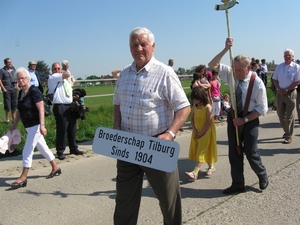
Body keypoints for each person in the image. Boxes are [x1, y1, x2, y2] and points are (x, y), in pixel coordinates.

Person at [113, 27, 190, 225]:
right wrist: (117, 131)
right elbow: (118, 105)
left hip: (156, 145)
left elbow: (184, 108)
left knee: (168, 201)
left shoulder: (165, 73)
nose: (139, 48)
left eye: (143, 44)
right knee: (124, 202)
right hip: (128, 145)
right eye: (134, 45)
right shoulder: (124, 74)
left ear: (153, 47)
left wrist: (170, 134)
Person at [208, 37, 269, 194]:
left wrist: (245, 119)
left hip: (250, 119)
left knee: (250, 151)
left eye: (240, 70)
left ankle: (262, 175)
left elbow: (262, 109)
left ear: (248, 67)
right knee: (234, 152)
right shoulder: (232, 74)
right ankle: (238, 184)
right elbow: (211, 65)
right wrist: (225, 49)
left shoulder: (257, 83)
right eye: (234, 69)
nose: (236, 72)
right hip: (234, 118)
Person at [8, 67, 61, 189]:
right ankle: (55, 167)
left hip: (36, 126)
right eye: (18, 79)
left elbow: (41, 108)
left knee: (27, 151)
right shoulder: (21, 93)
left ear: (28, 78)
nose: (20, 81)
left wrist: (42, 125)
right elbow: (20, 111)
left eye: (23, 78)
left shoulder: (34, 91)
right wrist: (14, 124)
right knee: (43, 148)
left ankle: (23, 177)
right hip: (28, 126)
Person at [47, 62, 84, 160]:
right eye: (55, 69)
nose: (57, 70)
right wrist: (64, 70)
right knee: (62, 129)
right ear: (52, 70)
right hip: (60, 106)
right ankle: (60, 151)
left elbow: (67, 91)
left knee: (72, 128)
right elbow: (68, 74)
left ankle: (73, 148)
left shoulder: (64, 81)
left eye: (59, 68)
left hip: (69, 105)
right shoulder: (53, 78)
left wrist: (74, 97)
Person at [185, 86, 217, 180]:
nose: (195, 100)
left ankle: (195, 172)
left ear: (202, 97)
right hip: (197, 132)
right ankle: (211, 166)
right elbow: (192, 119)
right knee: (201, 149)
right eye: (193, 99)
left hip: (206, 132)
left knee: (201, 151)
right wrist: (194, 129)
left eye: (197, 98)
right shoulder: (194, 107)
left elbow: (209, 122)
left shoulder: (208, 107)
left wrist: (202, 132)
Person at [272, 49, 300, 144]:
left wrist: (287, 90)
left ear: (292, 57)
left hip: (290, 93)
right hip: (280, 93)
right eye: (285, 55)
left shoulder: (296, 67)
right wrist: (279, 89)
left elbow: (297, 81)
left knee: (289, 116)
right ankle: (286, 131)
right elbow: (275, 79)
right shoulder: (279, 67)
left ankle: (289, 136)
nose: (287, 57)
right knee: (280, 114)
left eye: (289, 55)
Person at [0, 58, 18, 124]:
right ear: (5, 63)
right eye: (8, 62)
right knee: (7, 105)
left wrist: (17, 85)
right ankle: (7, 119)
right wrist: (3, 88)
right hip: (6, 89)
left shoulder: (14, 70)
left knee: (14, 104)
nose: (10, 63)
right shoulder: (2, 71)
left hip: (14, 89)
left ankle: (14, 119)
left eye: (10, 62)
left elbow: (17, 79)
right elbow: (0, 80)